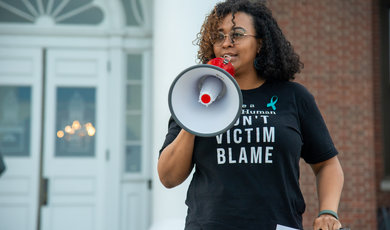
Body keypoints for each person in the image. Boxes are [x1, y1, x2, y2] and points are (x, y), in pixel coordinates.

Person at [158, 0, 344, 229]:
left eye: (237, 34)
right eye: (219, 36)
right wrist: (195, 116)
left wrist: (328, 212)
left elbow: (327, 164)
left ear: (260, 44)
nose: (227, 43)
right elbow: (168, 177)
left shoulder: (293, 96)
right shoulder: (192, 96)